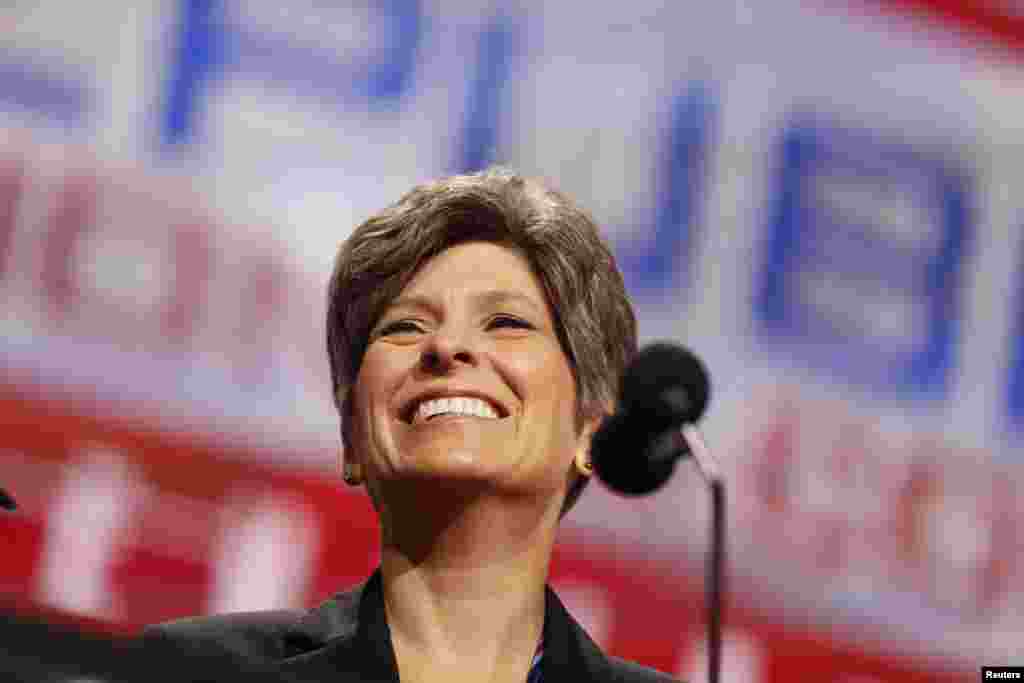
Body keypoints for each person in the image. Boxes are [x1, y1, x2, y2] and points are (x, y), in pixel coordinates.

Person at [142, 168, 679, 682]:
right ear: (351, 434)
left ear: (591, 428)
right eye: (405, 326)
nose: (446, 346)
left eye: (507, 322)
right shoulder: (194, 672)